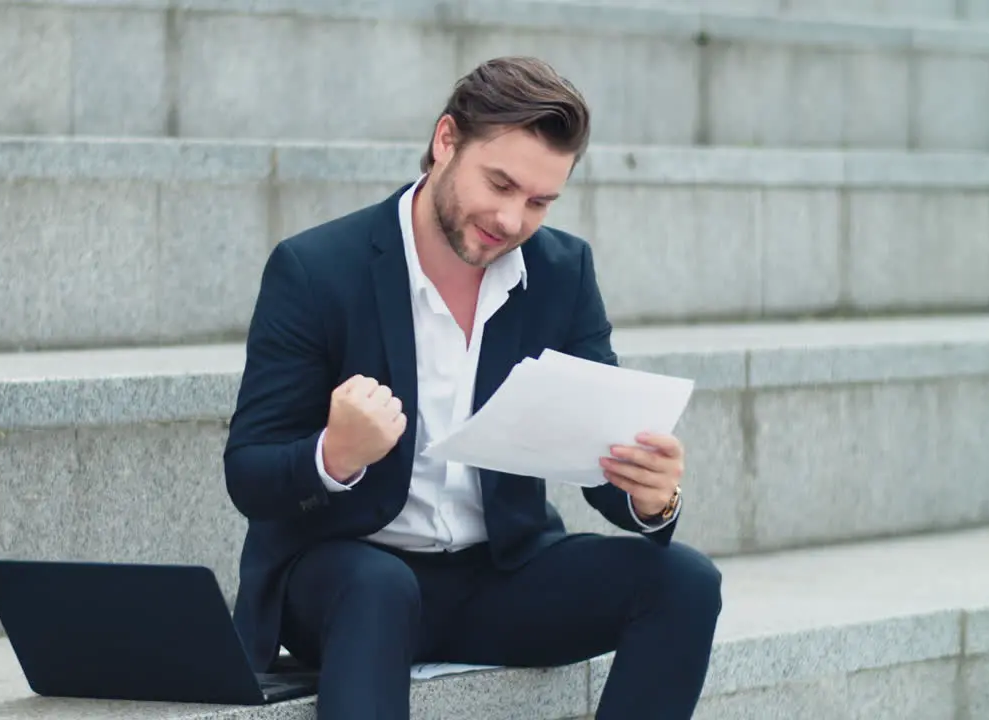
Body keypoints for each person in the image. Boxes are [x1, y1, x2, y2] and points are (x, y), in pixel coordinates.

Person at [222, 56, 722, 720]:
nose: (513, 219)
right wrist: (333, 455)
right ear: (446, 141)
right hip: (347, 579)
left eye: (540, 201)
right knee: (378, 588)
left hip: (498, 575)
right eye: (501, 183)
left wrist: (651, 497)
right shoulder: (317, 270)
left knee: (684, 582)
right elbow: (249, 474)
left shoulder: (561, 273)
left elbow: (599, 458)